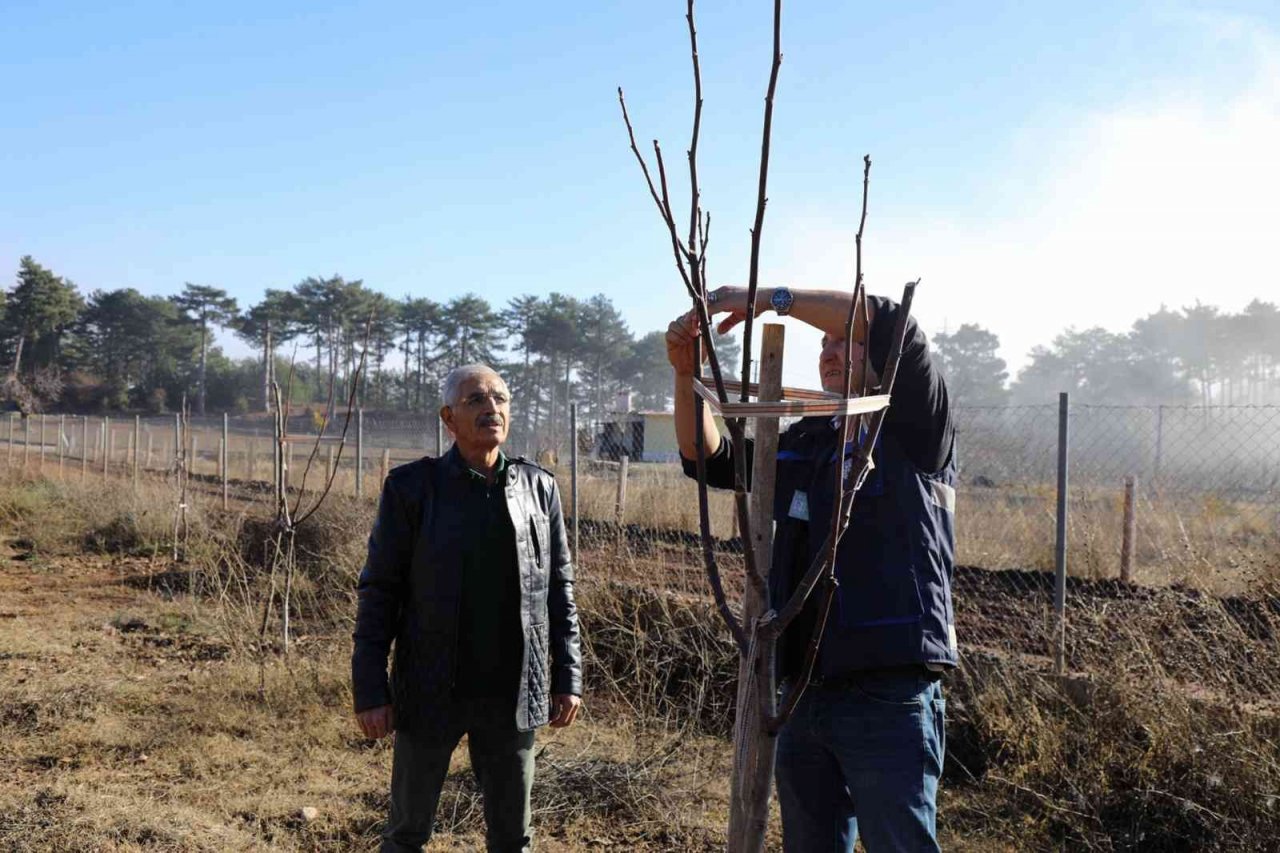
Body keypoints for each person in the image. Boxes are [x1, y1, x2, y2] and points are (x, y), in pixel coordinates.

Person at [666, 285, 956, 852]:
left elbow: (889, 320)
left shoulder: (914, 425)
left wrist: (768, 298)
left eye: (845, 340)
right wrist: (686, 377)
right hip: (800, 689)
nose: (828, 351)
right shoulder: (806, 439)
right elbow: (712, 460)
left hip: (887, 688)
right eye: (823, 342)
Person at [351, 364, 583, 853]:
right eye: (476, 400)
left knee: (512, 836)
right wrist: (371, 688)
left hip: (513, 689)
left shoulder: (539, 490)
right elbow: (380, 591)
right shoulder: (413, 489)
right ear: (448, 417)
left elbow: (559, 589)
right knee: (407, 830)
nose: (491, 409)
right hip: (431, 685)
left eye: (499, 398)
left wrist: (568, 676)